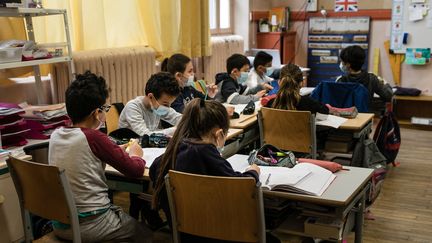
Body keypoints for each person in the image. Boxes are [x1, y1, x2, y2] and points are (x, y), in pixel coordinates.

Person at [49, 71, 148, 242]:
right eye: (105, 109)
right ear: (96, 113)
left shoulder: (56, 134)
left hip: (60, 223)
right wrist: (135, 154)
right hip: (91, 225)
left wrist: (115, 149)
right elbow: (135, 170)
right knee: (144, 233)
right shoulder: (94, 137)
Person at [149, 98, 264, 242]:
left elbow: (153, 171)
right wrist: (253, 171)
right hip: (222, 233)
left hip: (184, 234)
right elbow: (244, 184)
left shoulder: (173, 150)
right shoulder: (205, 152)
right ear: (219, 133)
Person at [118, 72, 182, 136]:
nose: (168, 108)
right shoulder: (133, 107)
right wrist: (176, 130)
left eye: (170, 104)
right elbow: (145, 135)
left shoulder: (157, 107)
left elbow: (178, 118)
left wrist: (188, 121)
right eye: (165, 104)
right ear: (151, 97)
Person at [336, 45, 393, 110]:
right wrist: (384, 83)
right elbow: (389, 96)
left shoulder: (341, 80)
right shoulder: (371, 78)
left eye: (342, 62)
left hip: (346, 118)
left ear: (348, 64)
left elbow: (336, 103)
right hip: (366, 117)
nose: (341, 64)